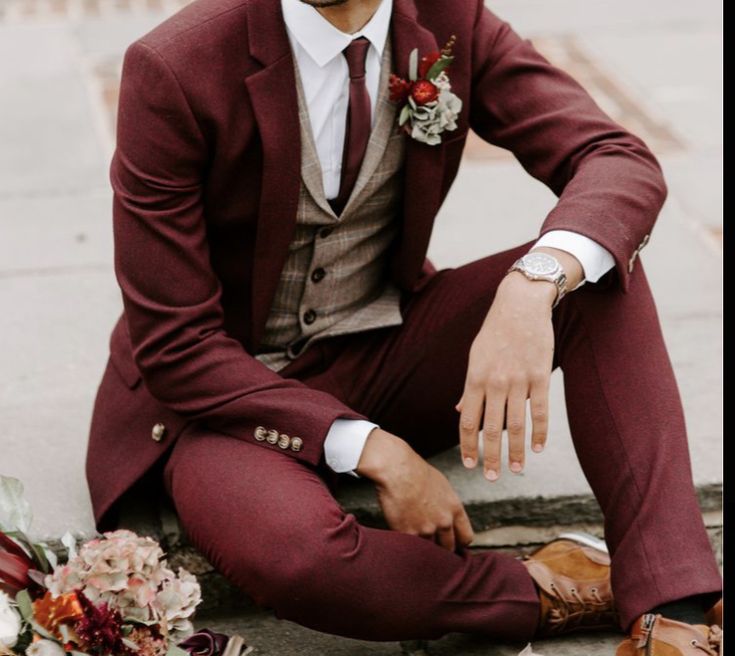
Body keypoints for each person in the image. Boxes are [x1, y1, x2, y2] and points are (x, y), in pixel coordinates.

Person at [85, 0, 723, 652]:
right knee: (295, 556)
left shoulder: (451, 20)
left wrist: (532, 286)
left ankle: (673, 606)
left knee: (593, 272)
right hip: (225, 392)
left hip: (382, 342)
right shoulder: (175, 65)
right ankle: (548, 589)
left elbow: (612, 155)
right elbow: (175, 344)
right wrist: (375, 450)